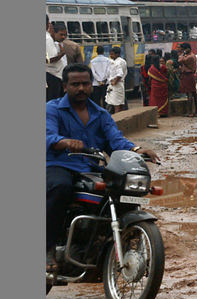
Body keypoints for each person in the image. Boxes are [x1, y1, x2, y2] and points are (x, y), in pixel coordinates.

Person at [46, 63, 159, 271]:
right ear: (65, 86)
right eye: (75, 84)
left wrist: (138, 149)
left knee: (119, 192)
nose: (81, 88)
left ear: (92, 85)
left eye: (85, 84)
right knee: (60, 187)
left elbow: (116, 141)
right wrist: (64, 141)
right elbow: (48, 135)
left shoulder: (100, 114)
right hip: (59, 165)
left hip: (89, 169)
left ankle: (101, 244)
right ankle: (47, 248)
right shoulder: (52, 108)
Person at [46, 23, 68, 101]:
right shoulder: (49, 41)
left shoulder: (58, 44)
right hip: (52, 76)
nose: (63, 37)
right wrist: (61, 55)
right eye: (61, 34)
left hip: (59, 77)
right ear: (53, 32)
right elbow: (49, 59)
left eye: (65, 35)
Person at [178, 43, 197, 117]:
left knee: (190, 94)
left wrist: (183, 54)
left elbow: (180, 60)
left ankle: (190, 112)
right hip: (189, 75)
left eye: (184, 49)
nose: (184, 50)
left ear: (188, 48)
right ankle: (196, 111)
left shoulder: (190, 57)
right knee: (193, 93)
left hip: (189, 75)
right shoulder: (191, 56)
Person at [104, 46, 127, 114]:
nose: (111, 56)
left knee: (116, 104)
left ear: (117, 54)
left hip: (116, 85)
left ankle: (117, 120)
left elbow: (120, 74)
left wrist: (114, 81)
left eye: (112, 54)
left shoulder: (116, 62)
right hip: (121, 84)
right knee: (121, 103)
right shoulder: (123, 61)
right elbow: (125, 73)